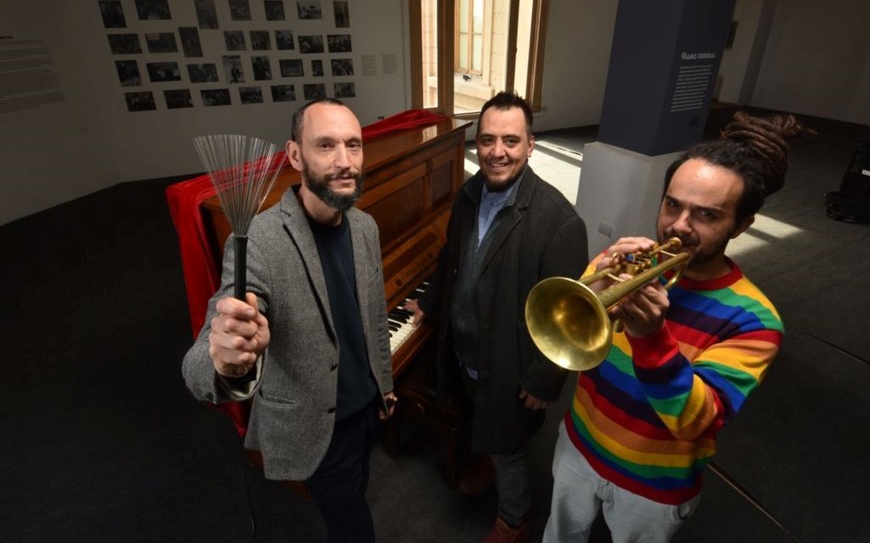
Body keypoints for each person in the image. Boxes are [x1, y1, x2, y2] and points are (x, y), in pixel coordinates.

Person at [543, 111, 810, 542]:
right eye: (672, 204)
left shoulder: (755, 321)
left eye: (706, 215)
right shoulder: (622, 264)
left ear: (741, 225)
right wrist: (596, 285)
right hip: (579, 444)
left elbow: (697, 420)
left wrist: (651, 338)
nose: (679, 226)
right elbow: (572, 343)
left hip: (654, 486)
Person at [182, 98, 397, 543]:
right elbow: (204, 358)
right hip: (318, 426)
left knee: (357, 490)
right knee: (352, 525)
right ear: (295, 155)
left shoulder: (365, 227)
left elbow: (375, 315)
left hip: (367, 410)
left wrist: (385, 382)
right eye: (326, 146)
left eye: (353, 146)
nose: (345, 162)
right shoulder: (260, 240)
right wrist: (223, 360)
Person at [406, 91, 589, 543]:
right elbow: (453, 258)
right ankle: (487, 457)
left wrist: (545, 380)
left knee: (510, 451)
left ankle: (513, 518)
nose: (497, 152)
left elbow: (572, 316)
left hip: (512, 367)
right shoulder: (468, 195)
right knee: (478, 420)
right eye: (487, 140)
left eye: (511, 140)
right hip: (468, 352)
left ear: (531, 145)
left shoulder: (560, 222)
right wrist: (430, 305)